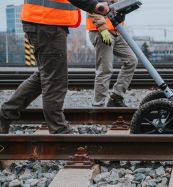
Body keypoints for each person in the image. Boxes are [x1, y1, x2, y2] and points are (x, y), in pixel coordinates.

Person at [0, 0, 110, 134]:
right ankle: (58, 129)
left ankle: (5, 115)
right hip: (46, 23)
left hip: (45, 22)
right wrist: (94, 5)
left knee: (45, 75)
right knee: (55, 79)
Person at [86, 0, 138, 107]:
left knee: (131, 60)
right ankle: (98, 105)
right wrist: (102, 28)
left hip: (116, 31)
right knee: (105, 69)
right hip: (101, 31)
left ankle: (116, 97)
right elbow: (93, 5)